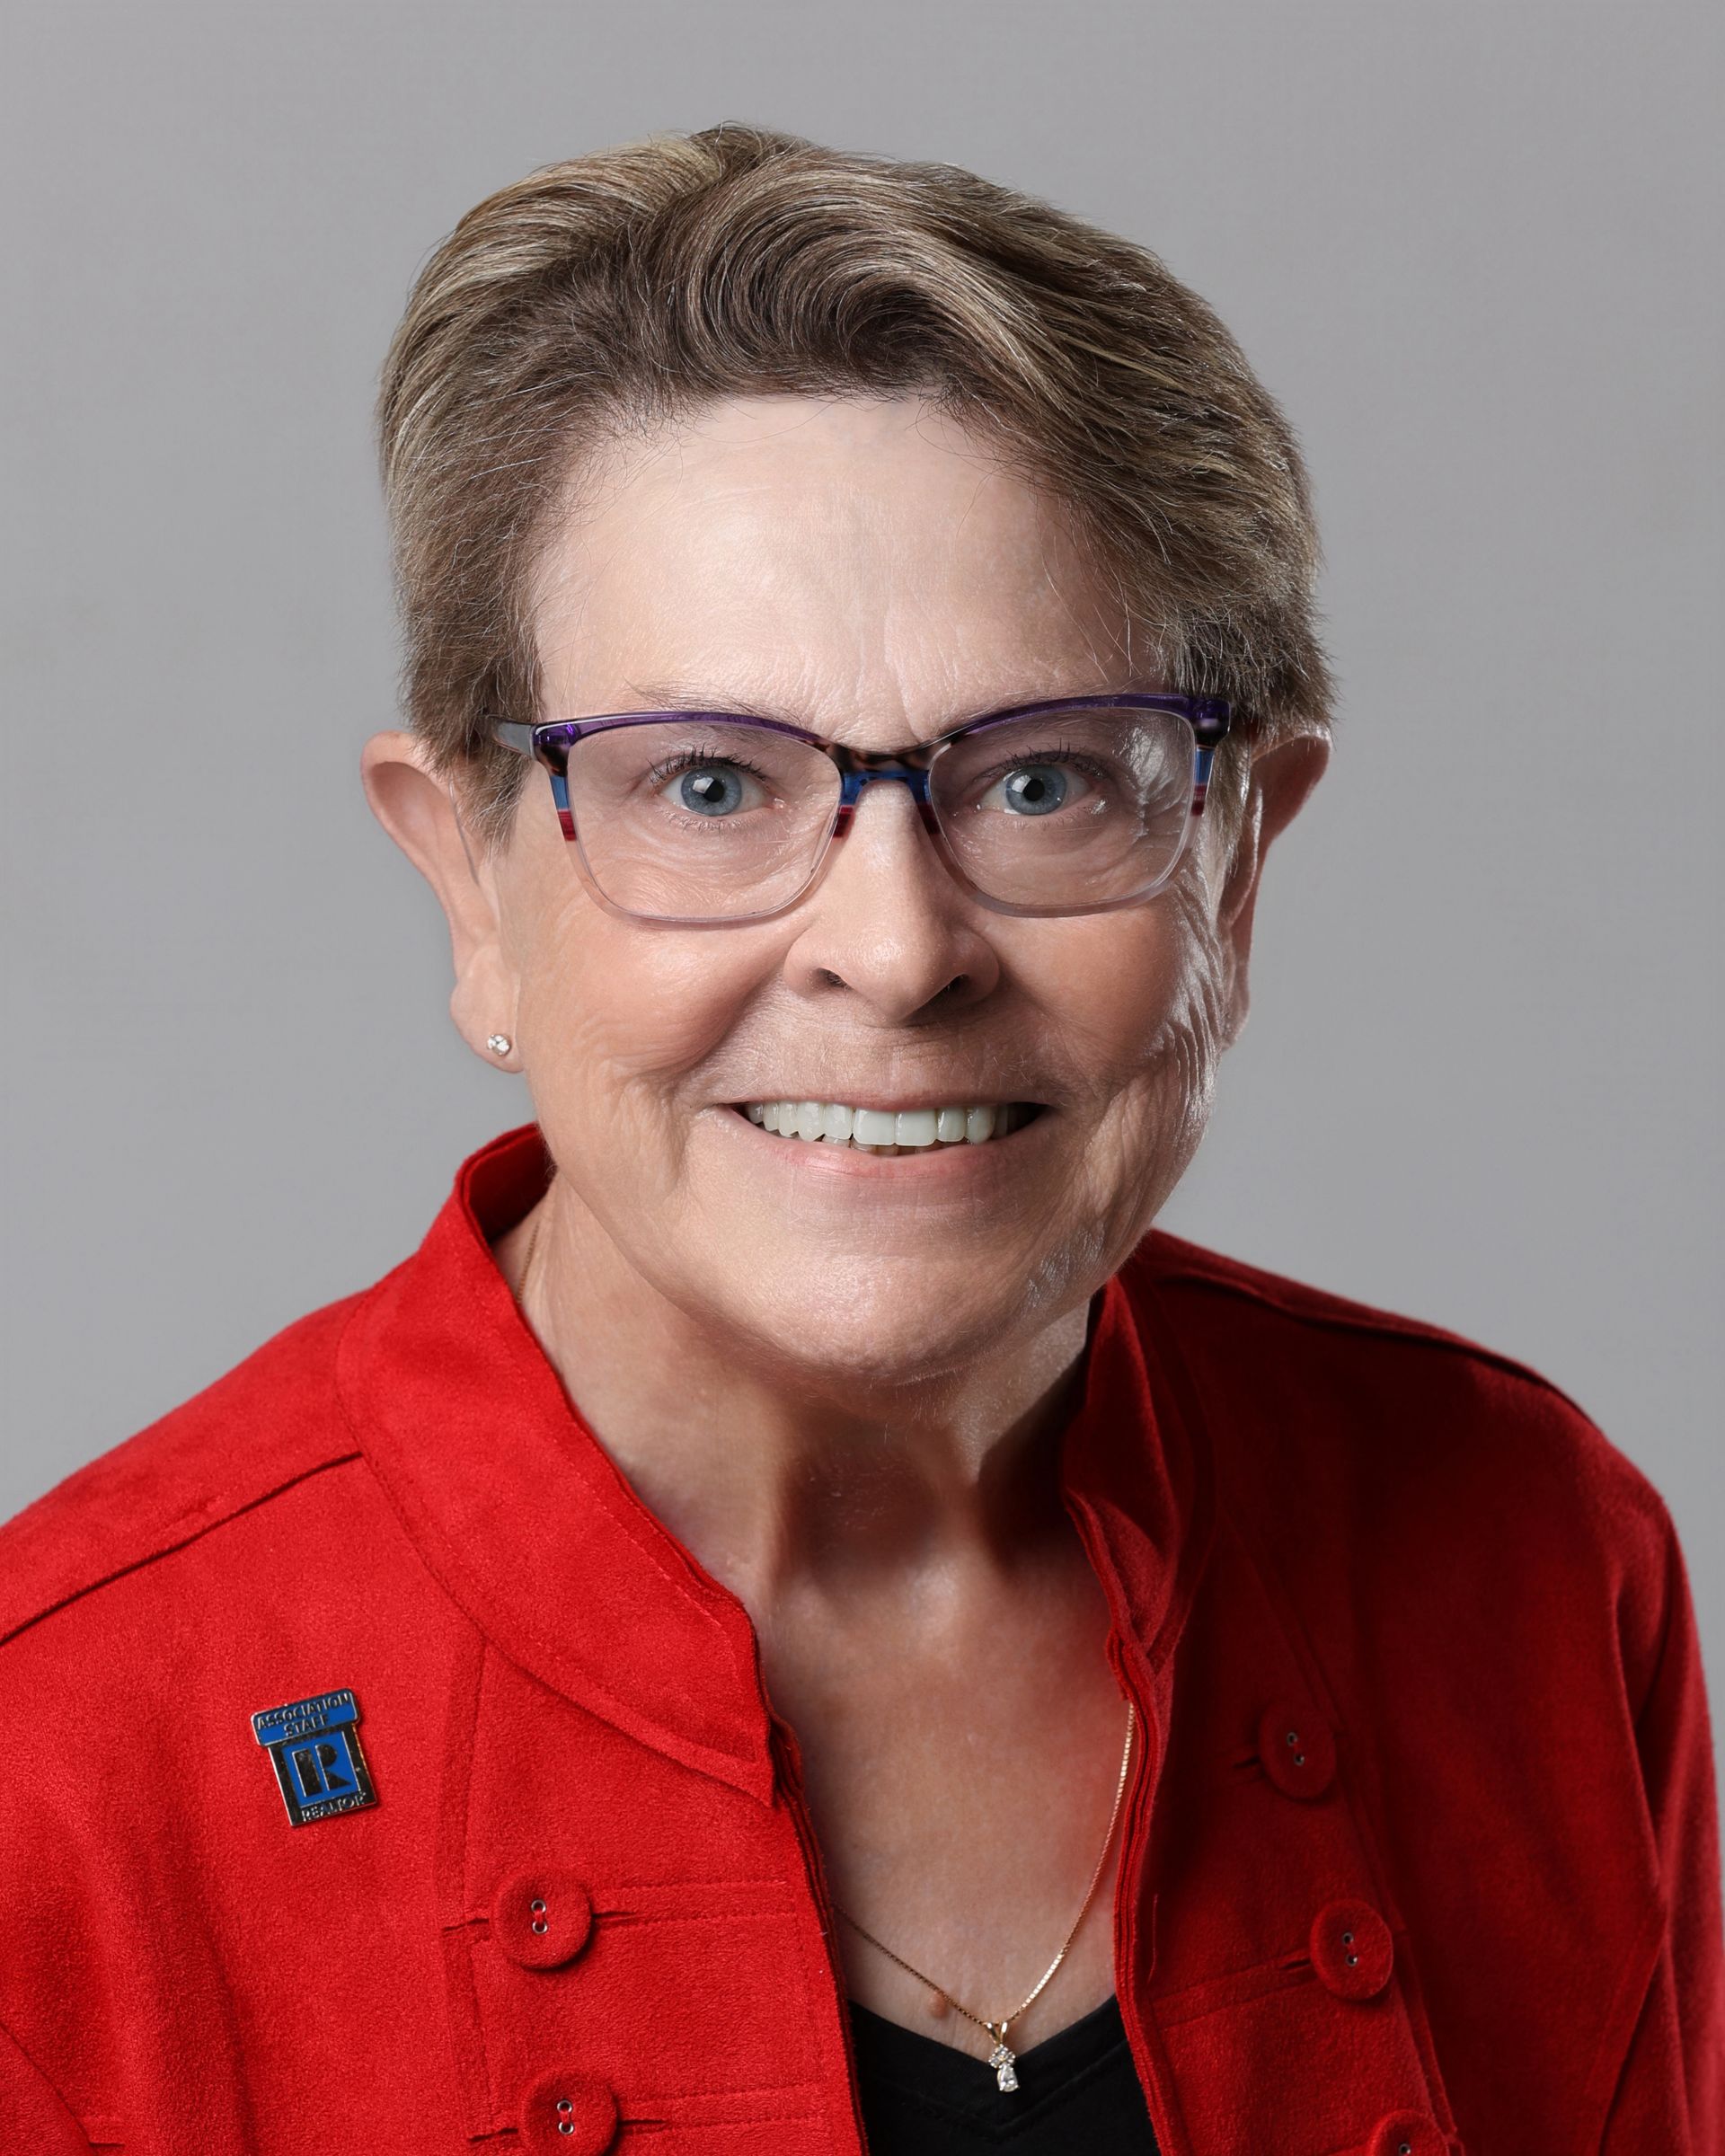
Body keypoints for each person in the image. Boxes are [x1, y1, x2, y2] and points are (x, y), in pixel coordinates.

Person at [1, 123, 1717, 2156]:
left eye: (1047, 781)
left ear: (1239, 869)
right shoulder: (64, 1752)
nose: (897, 954)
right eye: (710, 786)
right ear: (471, 887)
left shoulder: (1534, 1561)